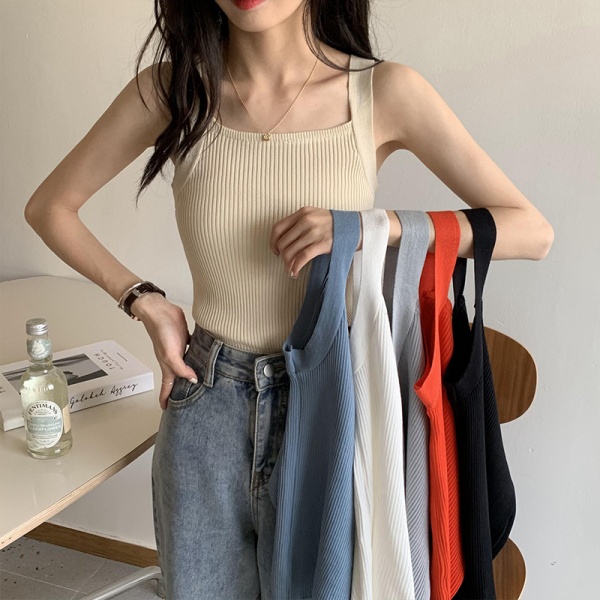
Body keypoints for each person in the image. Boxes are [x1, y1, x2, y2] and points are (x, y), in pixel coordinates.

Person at [23, 1, 554, 598]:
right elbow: (50, 208)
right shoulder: (173, 90)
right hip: (207, 405)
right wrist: (142, 299)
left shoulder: (381, 91)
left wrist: (369, 227)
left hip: (332, 401)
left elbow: (531, 232)